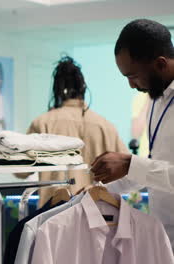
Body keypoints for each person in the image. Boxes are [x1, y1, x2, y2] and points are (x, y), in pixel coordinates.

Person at [91, 19, 174, 249]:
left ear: (160, 64)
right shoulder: (158, 99)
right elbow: (156, 169)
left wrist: (130, 163)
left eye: (134, 76)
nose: (131, 85)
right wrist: (99, 188)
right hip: (164, 242)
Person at [28, 56, 127, 207]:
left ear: (57, 89)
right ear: (83, 88)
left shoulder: (42, 123)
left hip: (54, 215)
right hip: (99, 213)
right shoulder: (106, 126)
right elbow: (126, 170)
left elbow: (20, 171)